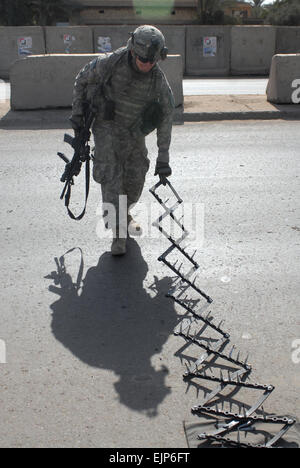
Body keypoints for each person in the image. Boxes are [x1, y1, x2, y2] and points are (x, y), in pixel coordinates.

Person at [70, 25, 175, 255]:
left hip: (134, 131)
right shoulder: (111, 62)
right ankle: (118, 233)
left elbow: (167, 114)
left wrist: (163, 157)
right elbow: (81, 80)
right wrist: (78, 117)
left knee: (136, 179)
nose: (146, 65)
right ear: (132, 51)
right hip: (107, 126)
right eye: (142, 60)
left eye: (152, 61)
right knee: (111, 178)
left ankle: (124, 212)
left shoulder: (157, 78)